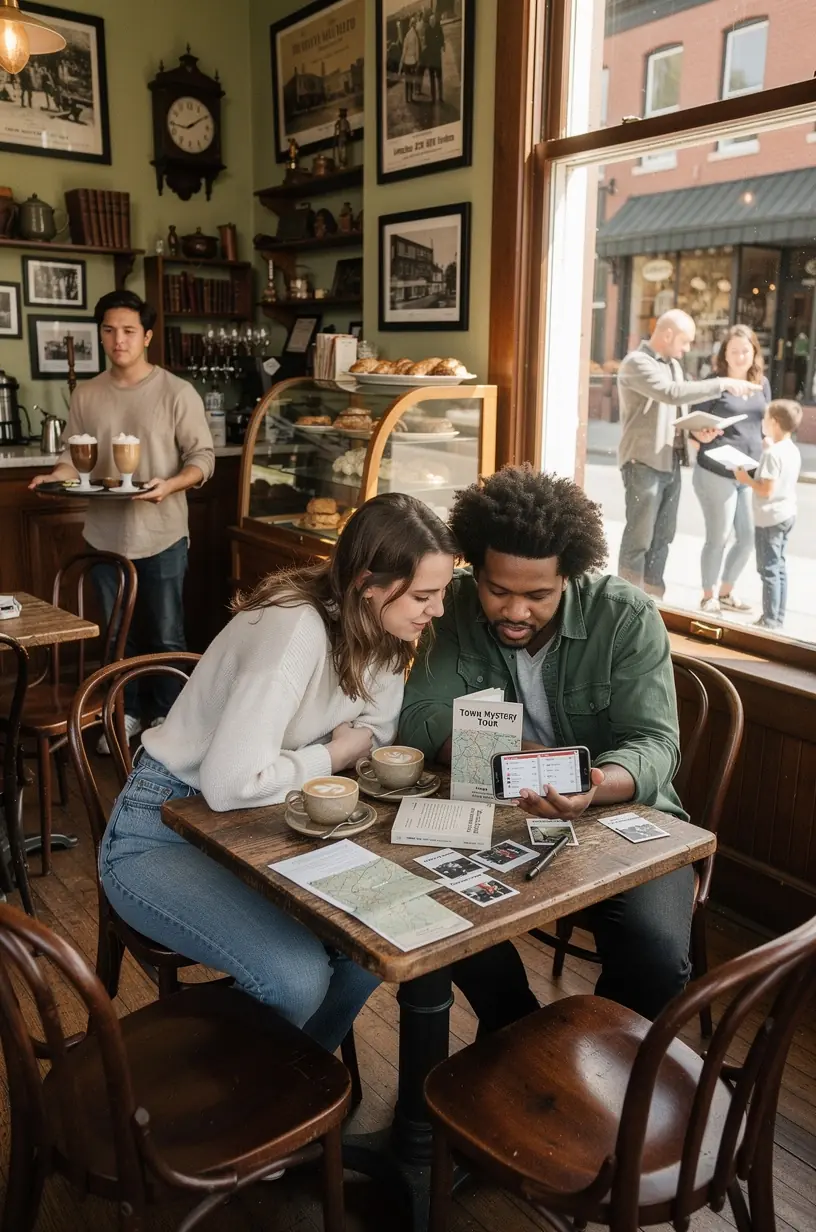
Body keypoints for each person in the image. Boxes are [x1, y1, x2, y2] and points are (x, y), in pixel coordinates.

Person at [98, 495, 456, 1052]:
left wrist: (317, 758)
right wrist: (332, 756)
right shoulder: (296, 627)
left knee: (380, 940)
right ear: (369, 583)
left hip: (270, 823)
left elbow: (377, 733)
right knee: (297, 978)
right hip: (161, 830)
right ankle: (242, 1113)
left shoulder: (384, 632)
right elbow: (231, 783)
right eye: (423, 595)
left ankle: (290, 1096)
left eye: (441, 593)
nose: (436, 610)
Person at [399, 465, 691, 1031]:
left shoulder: (626, 616)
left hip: (616, 811)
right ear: (473, 569)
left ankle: (603, 1071)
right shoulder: (452, 605)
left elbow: (656, 744)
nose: (514, 612)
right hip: (492, 812)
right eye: (497, 589)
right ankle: (518, 1029)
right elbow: (417, 717)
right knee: (425, 909)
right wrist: (516, 752)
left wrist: (595, 784)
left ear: (571, 578)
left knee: (654, 955)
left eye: (538, 595)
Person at [29, 290, 214, 752]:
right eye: (109, 330)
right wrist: (53, 477)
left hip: (162, 533)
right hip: (105, 535)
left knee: (166, 633)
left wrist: (170, 484)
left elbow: (203, 459)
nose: (118, 339)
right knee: (116, 633)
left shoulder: (177, 391)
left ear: (147, 335)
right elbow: (73, 460)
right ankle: (126, 714)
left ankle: (171, 722)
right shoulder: (87, 392)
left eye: (129, 330)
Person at [616, 309, 760, 598]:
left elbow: (676, 411)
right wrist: (722, 384)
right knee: (639, 540)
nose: (687, 349)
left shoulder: (673, 365)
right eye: (685, 341)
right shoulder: (636, 363)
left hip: (671, 462)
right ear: (667, 334)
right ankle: (625, 605)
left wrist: (697, 432)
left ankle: (653, 604)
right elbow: (670, 393)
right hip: (643, 462)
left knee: (663, 539)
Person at [692, 324, 770, 615]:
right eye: (734, 350)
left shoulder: (762, 383)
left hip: (746, 474)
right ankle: (708, 595)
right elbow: (694, 424)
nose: (740, 356)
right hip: (716, 471)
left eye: (745, 350)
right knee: (719, 536)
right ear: (725, 354)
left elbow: (763, 423)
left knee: (747, 538)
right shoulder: (715, 383)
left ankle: (726, 593)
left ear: (754, 353)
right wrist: (699, 435)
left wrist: (769, 440)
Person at [735, 400, 802, 631]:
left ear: (773, 422)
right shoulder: (790, 449)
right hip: (786, 513)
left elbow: (766, 489)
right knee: (779, 568)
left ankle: (771, 620)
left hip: (769, 518)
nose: (762, 422)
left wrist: (746, 480)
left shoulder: (773, 454)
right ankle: (777, 616)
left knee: (769, 570)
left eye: (765, 418)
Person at [425, 11, 446, 104]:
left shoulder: (438, 28)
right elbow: (426, 43)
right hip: (430, 58)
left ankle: (440, 97)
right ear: (429, 22)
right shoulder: (427, 30)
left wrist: (443, 45)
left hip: (437, 57)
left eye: (433, 20)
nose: (432, 22)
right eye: (431, 20)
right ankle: (433, 97)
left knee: (439, 78)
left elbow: (442, 38)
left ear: (435, 21)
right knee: (432, 78)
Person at [399, 15, 420, 104]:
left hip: (406, 62)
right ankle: (410, 97)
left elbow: (404, 51)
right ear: (413, 24)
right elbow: (417, 50)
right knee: (411, 80)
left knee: (407, 81)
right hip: (412, 61)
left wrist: (401, 64)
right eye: (414, 23)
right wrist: (417, 60)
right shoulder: (415, 35)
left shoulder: (407, 35)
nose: (414, 25)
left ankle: (407, 98)